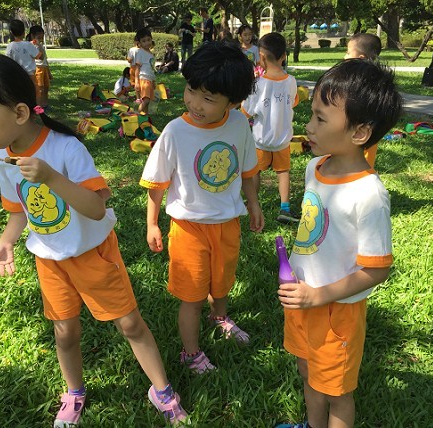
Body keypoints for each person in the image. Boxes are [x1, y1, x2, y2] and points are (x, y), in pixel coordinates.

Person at [0, 53, 189, 427]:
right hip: (49, 259)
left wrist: (50, 177)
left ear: (19, 113)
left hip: (92, 252)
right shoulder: (2, 156)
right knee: (65, 332)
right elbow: (19, 210)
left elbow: (96, 208)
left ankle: (161, 390)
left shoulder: (65, 148)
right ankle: (74, 392)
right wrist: (7, 241)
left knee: (130, 324)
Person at [274, 59, 402, 428]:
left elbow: (377, 269)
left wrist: (320, 295)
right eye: (311, 115)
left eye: (320, 119)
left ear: (360, 132)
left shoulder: (369, 195)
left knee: (337, 392)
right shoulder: (314, 168)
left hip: (336, 312)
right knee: (307, 372)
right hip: (301, 297)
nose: (308, 126)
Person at [139, 41, 264, 374]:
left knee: (222, 282)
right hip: (188, 228)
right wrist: (152, 224)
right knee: (192, 296)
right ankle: (191, 353)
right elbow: (156, 183)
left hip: (227, 224)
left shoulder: (239, 124)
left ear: (233, 102)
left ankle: (219, 316)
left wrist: (253, 204)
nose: (195, 103)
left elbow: (248, 169)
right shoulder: (175, 132)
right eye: (192, 91)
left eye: (208, 98)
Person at [241, 32, 299, 224]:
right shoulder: (291, 81)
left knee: (255, 172)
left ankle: (253, 204)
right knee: (283, 172)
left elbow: (246, 111)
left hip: (261, 140)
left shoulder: (257, 85)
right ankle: (285, 208)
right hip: (283, 140)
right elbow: (294, 101)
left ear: (261, 57)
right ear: (284, 56)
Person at [343, 32, 382, 168]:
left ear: (360, 58)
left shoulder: (361, 78)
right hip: (364, 126)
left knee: (363, 156)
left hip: (362, 124)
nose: (345, 56)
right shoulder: (377, 77)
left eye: (348, 52)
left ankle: (363, 174)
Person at [5, 20, 39, 87]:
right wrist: (39, 45)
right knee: (31, 91)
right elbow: (39, 56)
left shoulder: (10, 46)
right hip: (29, 75)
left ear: (11, 32)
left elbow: (7, 61)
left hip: (16, 75)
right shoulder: (28, 45)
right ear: (24, 32)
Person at [27, 25, 52, 109]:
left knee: (46, 87)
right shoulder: (31, 45)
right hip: (37, 68)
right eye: (39, 37)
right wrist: (37, 44)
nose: (40, 39)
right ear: (32, 36)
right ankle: (38, 106)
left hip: (44, 68)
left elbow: (45, 60)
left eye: (42, 37)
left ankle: (45, 104)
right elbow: (38, 57)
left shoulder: (40, 45)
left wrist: (49, 72)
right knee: (40, 88)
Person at [133, 28, 156, 114]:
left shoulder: (151, 54)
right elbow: (137, 68)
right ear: (139, 42)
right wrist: (136, 82)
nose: (147, 43)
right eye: (144, 41)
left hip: (149, 80)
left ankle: (145, 117)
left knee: (147, 101)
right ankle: (136, 115)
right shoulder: (140, 52)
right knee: (146, 100)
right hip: (143, 79)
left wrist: (153, 81)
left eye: (148, 40)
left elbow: (151, 68)